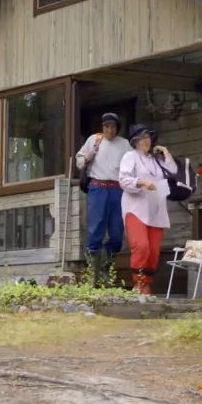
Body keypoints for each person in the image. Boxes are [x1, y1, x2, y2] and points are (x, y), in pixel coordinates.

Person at [118, 124, 177, 295]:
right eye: (142, 137)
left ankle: (146, 285)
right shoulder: (130, 156)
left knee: (153, 252)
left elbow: (172, 171)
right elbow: (123, 179)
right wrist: (142, 182)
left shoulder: (156, 159)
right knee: (141, 246)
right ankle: (138, 284)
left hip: (156, 210)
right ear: (135, 141)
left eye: (148, 137)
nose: (146, 140)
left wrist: (165, 152)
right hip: (135, 209)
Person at [75, 112, 131, 282]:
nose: (110, 130)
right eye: (107, 126)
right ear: (102, 127)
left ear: (117, 128)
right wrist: (85, 157)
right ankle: (93, 272)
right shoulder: (95, 140)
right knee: (95, 226)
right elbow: (79, 160)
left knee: (116, 230)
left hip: (117, 189)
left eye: (113, 126)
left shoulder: (125, 144)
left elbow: (132, 163)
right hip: (97, 187)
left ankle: (108, 268)